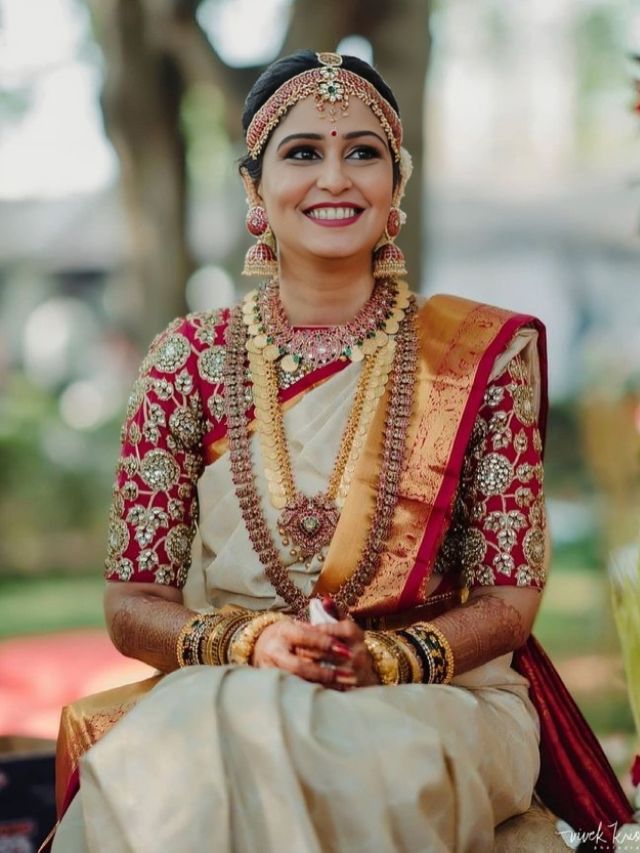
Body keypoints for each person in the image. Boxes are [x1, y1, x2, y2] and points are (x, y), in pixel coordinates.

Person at [51, 50, 632, 852]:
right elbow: (130, 602)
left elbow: (510, 599)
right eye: (302, 153)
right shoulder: (184, 361)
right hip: (230, 684)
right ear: (254, 187)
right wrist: (250, 642)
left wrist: (387, 659)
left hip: (438, 691)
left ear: (397, 184)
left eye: (363, 152)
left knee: (333, 756)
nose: (335, 178)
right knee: (180, 758)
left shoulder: (475, 359)